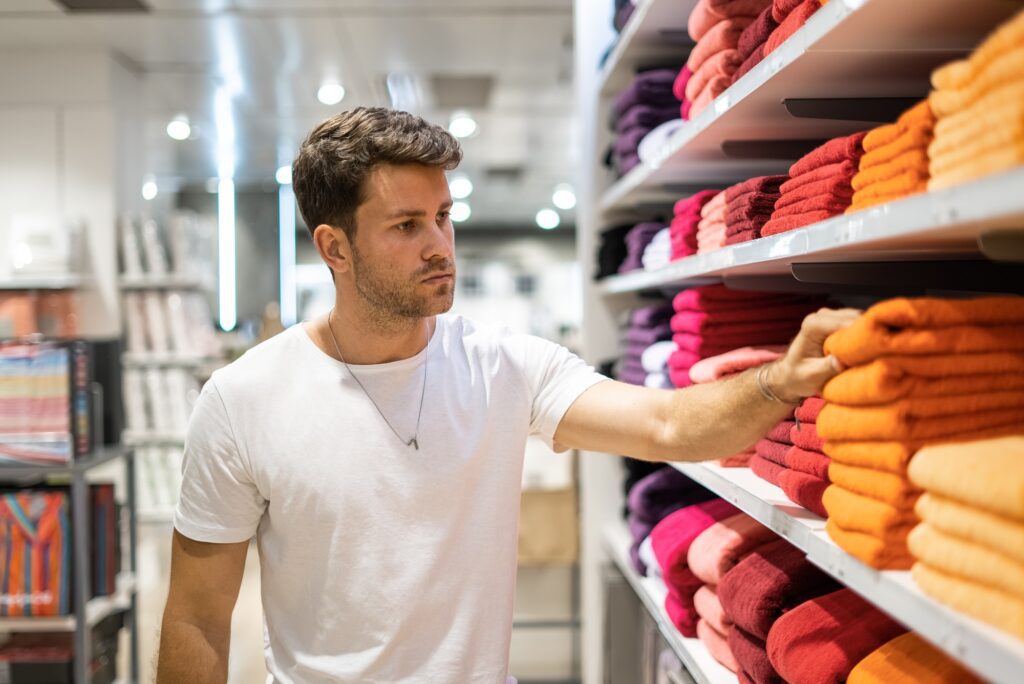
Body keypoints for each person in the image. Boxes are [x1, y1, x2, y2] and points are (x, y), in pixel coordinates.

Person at [157, 107, 859, 683]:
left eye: (443, 216)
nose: (440, 244)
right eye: (407, 226)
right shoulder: (242, 399)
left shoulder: (503, 368)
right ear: (334, 248)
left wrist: (778, 379)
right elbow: (195, 619)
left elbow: (670, 426)